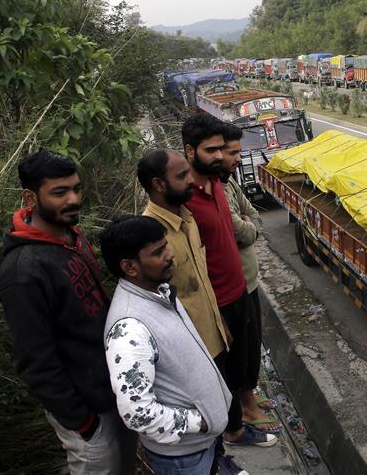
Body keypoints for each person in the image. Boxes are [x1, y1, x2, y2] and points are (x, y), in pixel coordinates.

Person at [0, 150, 136, 475]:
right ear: (30, 197)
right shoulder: (24, 273)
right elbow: (35, 361)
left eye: (76, 188)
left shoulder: (70, 235)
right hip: (87, 414)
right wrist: (82, 422)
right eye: (60, 192)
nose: (73, 199)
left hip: (112, 392)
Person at [137, 148, 248, 475]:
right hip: (188, 353)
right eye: (181, 176)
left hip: (212, 336)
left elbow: (200, 281)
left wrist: (218, 324)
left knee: (218, 412)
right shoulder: (150, 238)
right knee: (202, 419)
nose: (191, 182)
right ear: (159, 184)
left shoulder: (188, 218)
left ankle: (219, 459)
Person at [100, 215, 232, 475]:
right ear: (130, 267)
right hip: (184, 459)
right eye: (158, 252)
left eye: (166, 245)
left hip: (201, 446)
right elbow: (137, 413)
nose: (170, 254)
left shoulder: (158, 291)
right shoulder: (129, 329)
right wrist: (200, 422)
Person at [181, 112, 277, 449]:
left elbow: (249, 222)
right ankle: (233, 429)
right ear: (190, 152)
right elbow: (238, 232)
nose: (223, 157)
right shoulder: (185, 198)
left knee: (244, 357)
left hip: (240, 289)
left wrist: (247, 229)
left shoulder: (218, 186)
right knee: (226, 368)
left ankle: (241, 415)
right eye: (213, 150)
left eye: (225, 150)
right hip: (216, 300)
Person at [220, 125, 281, 433]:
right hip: (235, 287)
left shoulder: (228, 183)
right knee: (241, 351)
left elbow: (253, 217)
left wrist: (249, 225)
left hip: (248, 282)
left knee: (252, 345)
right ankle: (246, 409)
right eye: (233, 153)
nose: (239, 159)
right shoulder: (216, 190)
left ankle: (251, 400)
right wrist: (248, 226)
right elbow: (242, 231)